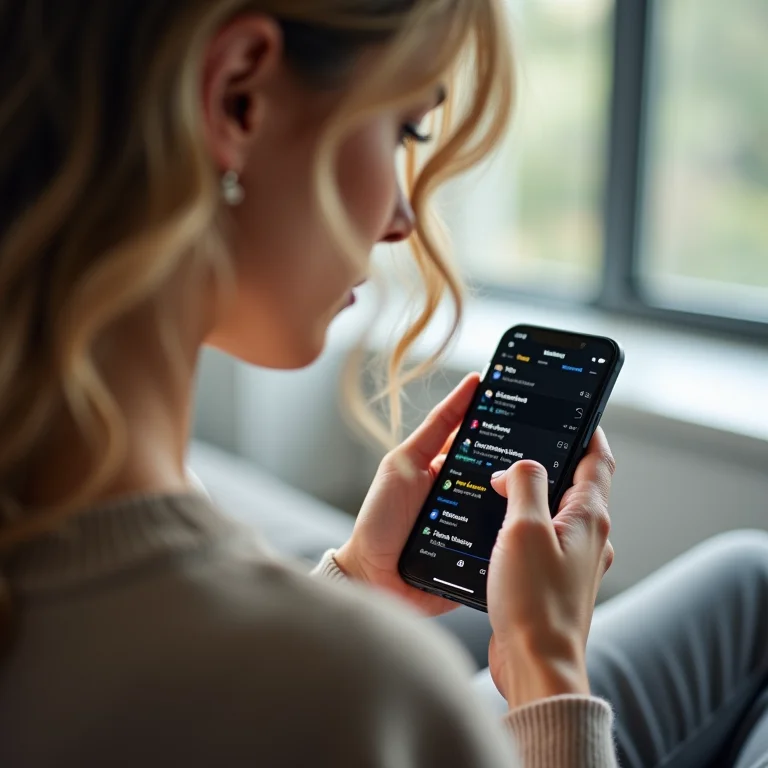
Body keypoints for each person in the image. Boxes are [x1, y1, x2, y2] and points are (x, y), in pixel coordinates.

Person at [0, 1, 766, 766]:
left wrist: (355, 582)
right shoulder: (376, 698)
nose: (402, 218)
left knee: (750, 577)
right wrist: (548, 670)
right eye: (405, 130)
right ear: (239, 96)